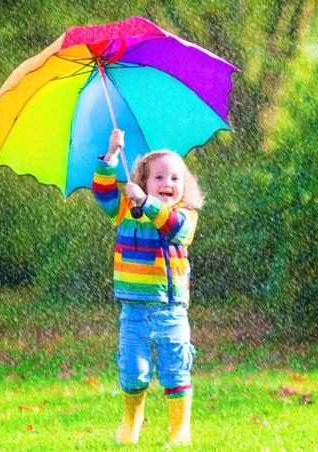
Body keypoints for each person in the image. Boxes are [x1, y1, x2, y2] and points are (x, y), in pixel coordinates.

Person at [92, 129, 204, 446]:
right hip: (134, 311)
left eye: (174, 179)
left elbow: (175, 230)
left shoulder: (185, 214)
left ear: (185, 185)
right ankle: (131, 420)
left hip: (171, 311)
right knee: (133, 371)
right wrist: (112, 156)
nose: (167, 184)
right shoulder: (126, 210)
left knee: (175, 370)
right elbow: (103, 194)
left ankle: (180, 430)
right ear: (143, 180)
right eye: (158, 177)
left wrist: (148, 202)